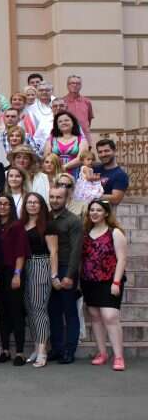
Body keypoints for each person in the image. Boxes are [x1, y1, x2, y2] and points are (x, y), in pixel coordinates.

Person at [82, 199, 128, 371]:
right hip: (89, 281)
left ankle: (118, 356)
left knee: (110, 317)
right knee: (95, 316)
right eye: (92, 210)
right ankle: (102, 353)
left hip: (110, 281)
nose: (94, 213)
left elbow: (122, 259)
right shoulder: (86, 232)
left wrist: (116, 282)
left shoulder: (115, 232)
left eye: (98, 210)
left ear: (106, 213)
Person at [46, 185, 82, 365]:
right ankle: (57, 348)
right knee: (53, 311)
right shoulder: (46, 218)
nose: (54, 200)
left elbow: (77, 250)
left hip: (67, 268)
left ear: (66, 198)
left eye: (58, 197)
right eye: (52, 197)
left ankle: (69, 351)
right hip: (49, 269)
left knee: (69, 312)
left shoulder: (73, 221)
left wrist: (69, 276)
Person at [20, 192, 57, 367]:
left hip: (41, 265)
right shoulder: (22, 224)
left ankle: (43, 351)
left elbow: (54, 252)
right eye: (29, 202)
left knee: (39, 309)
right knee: (29, 308)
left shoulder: (47, 225)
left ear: (41, 205)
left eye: (36, 202)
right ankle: (36, 346)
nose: (32, 205)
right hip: (24, 267)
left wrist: (54, 275)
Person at [0, 194, 29, 366]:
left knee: (16, 312)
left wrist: (17, 274)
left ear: (11, 206)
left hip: (13, 273)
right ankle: (5, 349)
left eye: (6, 204)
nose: (2, 207)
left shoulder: (17, 225)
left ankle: (20, 352)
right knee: (3, 313)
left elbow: (21, 252)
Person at [93, 138, 128, 206]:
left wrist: (91, 196)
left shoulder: (120, 175)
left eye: (106, 151)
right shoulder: (94, 169)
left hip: (107, 214)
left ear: (114, 151)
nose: (103, 154)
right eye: (100, 152)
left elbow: (115, 199)